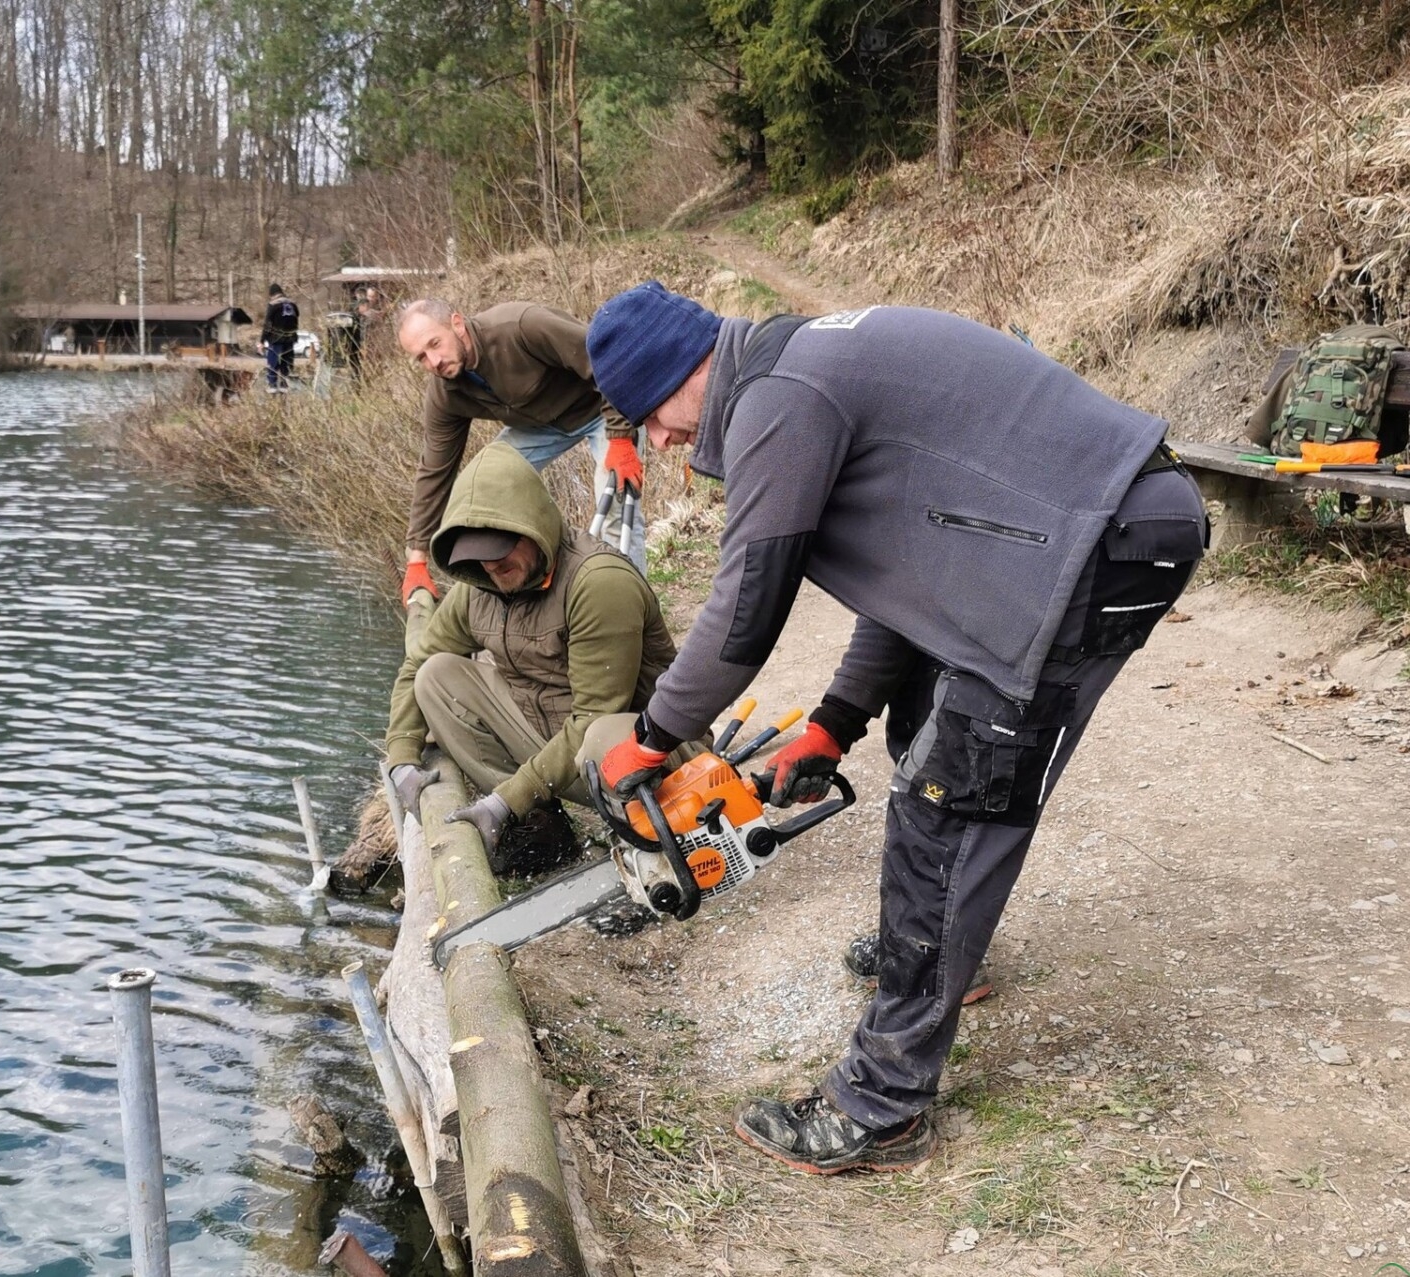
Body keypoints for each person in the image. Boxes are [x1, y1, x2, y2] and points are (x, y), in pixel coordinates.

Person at [582, 285, 1206, 1175]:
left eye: (652, 415)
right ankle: (943, 956)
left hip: (1100, 538)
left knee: (950, 798)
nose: (661, 440)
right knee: (924, 734)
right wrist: (835, 722)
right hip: (1071, 533)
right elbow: (917, 579)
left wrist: (652, 734)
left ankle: (883, 1105)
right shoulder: (797, 369)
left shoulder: (778, 397)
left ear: (683, 371)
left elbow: (745, 609)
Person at [383, 442, 682, 872]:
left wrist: (507, 798)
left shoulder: (598, 583)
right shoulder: (477, 590)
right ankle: (541, 836)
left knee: (599, 736)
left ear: (534, 527)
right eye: (477, 555)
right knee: (436, 676)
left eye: (499, 550)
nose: (491, 567)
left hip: (647, 754)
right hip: (553, 738)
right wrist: (401, 760)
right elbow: (417, 665)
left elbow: (592, 718)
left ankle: (656, 841)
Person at [395, 298, 646, 606]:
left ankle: (630, 606)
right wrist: (417, 558)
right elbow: (435, 470)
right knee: (483, 487)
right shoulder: (446, 392)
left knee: (615, 500)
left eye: (435, 343)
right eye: (421, 357)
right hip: (541, 428)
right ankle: (531, 588)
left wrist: (620, 436)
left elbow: (608, 359)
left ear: (457, 324)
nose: (434, 361)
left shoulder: (520, 326)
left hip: (602, 408)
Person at [261, 283, 299, 392]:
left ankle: (272, 385)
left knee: (273, 361)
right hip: (290, 338)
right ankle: (284, 384)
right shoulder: (293, 304)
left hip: (276, 339)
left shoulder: (273, 305)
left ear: (272, 294)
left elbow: (268, 324)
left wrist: (262, 340)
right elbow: (296, 317)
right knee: (286, 362)